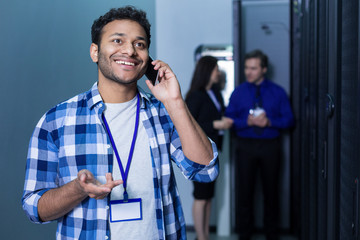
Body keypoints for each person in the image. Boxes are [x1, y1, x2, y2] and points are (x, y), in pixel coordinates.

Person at [22, 6, 219, 240]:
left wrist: (174, 101)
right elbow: (34, 208)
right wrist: (78, 189)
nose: (130, 51)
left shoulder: (164, 114)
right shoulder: (56, 121)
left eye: (140, 44)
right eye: (117, 41)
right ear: (95, 52)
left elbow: (206, 171)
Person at [225, 49, 294, 240]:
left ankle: (272, 235)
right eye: (247, 68)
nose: (249, 72)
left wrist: (269, 122)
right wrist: (245, 122)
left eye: (253, 68)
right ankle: (244, 235)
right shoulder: (238, 92)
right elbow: (229, 119)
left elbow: (289, 120)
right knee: (244, 193)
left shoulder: (278, 92)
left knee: (271, 193)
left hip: (270, 147)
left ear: (263, 69)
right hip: (245, 146)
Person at [185, 56, 233, 240]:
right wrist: (216, 124)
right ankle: (201, 236)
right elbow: (189, 124)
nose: (218, 72)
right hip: (198, 152)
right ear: (206, 71)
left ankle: (203, 235)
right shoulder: (195, 95)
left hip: (211, 151)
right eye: (215, 69)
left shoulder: (214, 92)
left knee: (208, 196)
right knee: (201, 196)